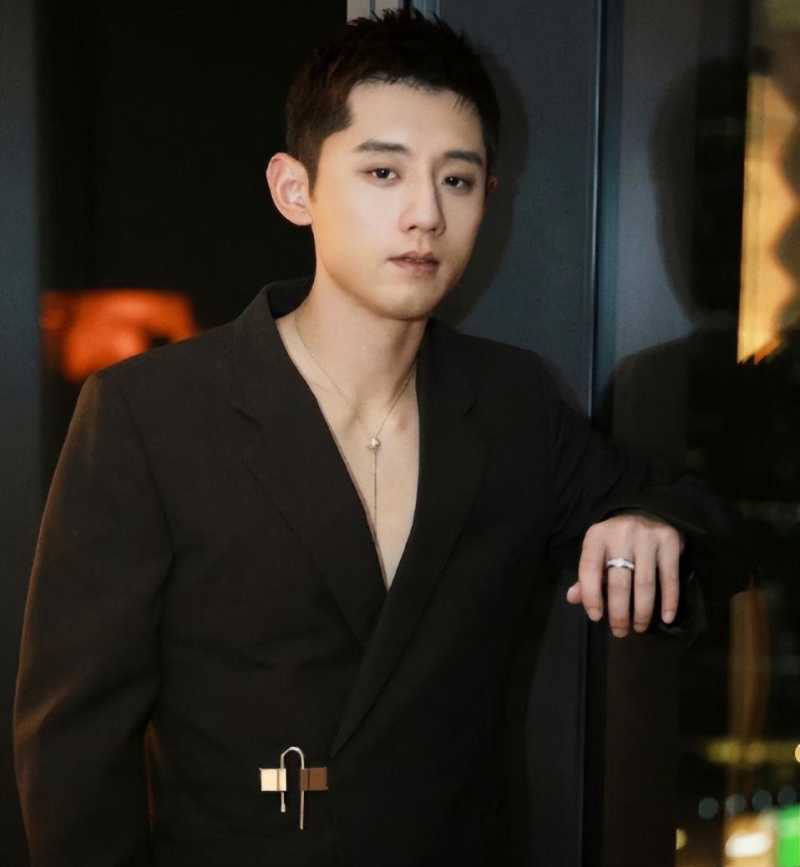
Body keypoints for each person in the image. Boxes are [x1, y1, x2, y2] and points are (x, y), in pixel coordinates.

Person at [14, 11, 728, 867]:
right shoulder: (150, 413)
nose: (425, 214)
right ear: (295, 189)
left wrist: (650, 522)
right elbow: (73, 749)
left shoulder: (511, 403)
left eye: (457, 180)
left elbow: (696, 513)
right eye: (383, 171)